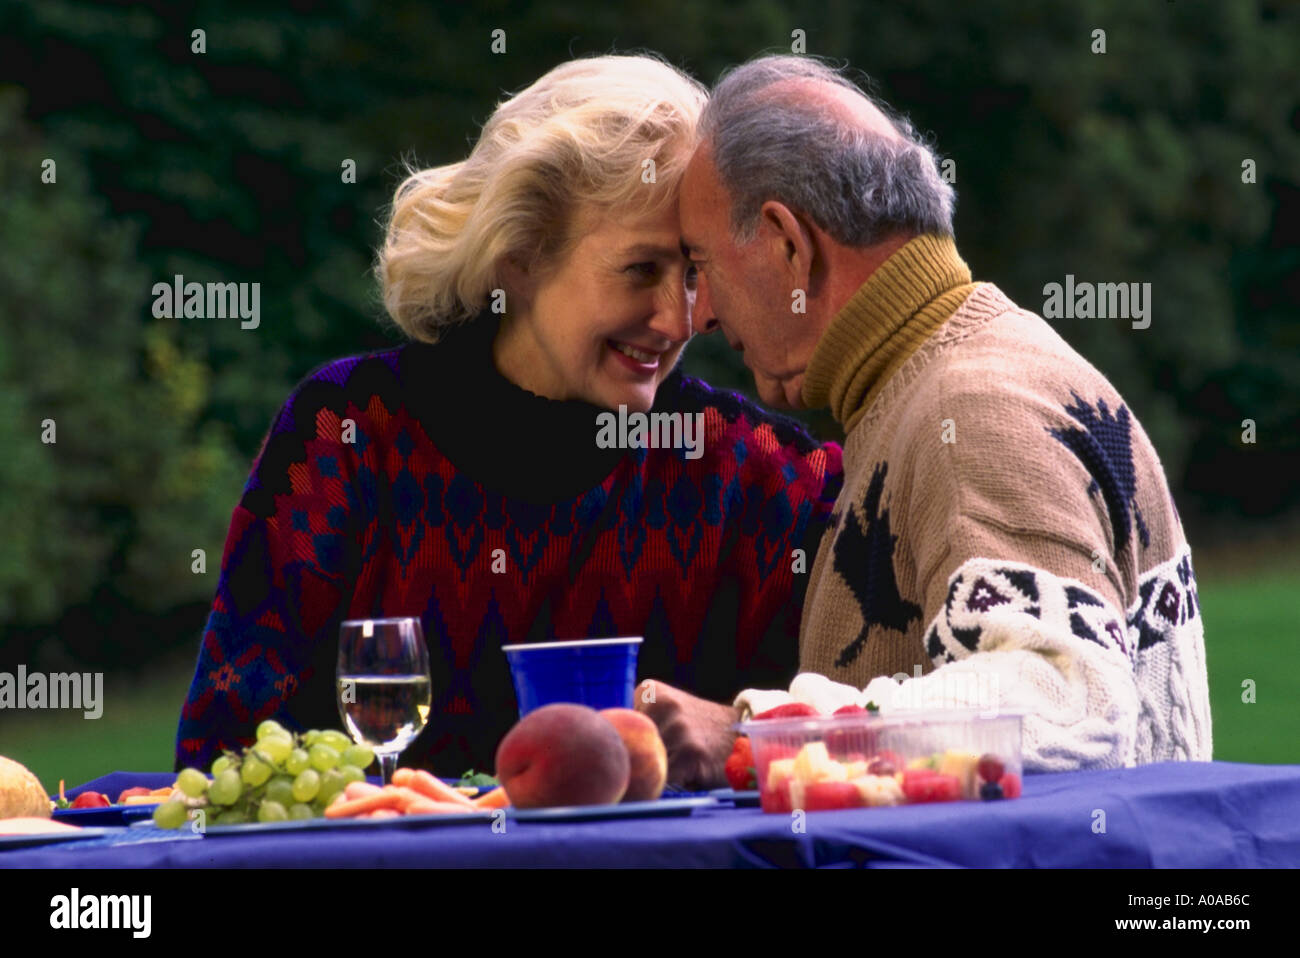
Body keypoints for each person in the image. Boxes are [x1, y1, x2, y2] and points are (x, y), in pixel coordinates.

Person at [174, 54, 842, 780]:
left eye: (693, 272)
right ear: (519, 255)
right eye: (641, 270)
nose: (679, 318)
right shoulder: (347, 433)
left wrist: (739, 730)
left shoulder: (758, 474)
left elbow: (882, 727)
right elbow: (222, 753)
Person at [638, 54, 1211, 781]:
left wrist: (759, 737)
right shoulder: (958, 371)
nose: (703, 313)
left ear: (788, 243)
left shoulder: (973, 406)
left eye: (701, 264)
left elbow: (1068, 698)